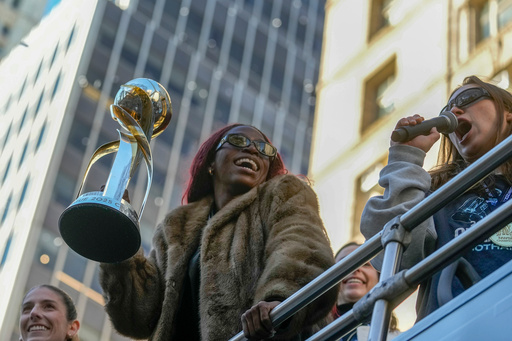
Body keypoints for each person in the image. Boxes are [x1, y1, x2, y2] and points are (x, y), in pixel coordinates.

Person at [99, 123, 337, 340]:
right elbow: (138, 317)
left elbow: (301, 246)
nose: (254, 151)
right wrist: (119, 235)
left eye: (264, 149)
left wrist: (279, 300)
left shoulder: (283, 193)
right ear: (211, 163)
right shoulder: (177, 226)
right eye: (239, 142)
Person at [360, 75, 512, 320]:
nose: (454, 109)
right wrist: (406, 158)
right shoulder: (436, 195)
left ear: (507, 112)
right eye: (447, 109)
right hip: (453, 326)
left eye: (468, 98)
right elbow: (395, 259)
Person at [332, 242, 400, 341]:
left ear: (379, 278)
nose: (355, 269)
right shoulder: (310, 334)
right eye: (344, 264)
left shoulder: (402, 338)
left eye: (365, 264)